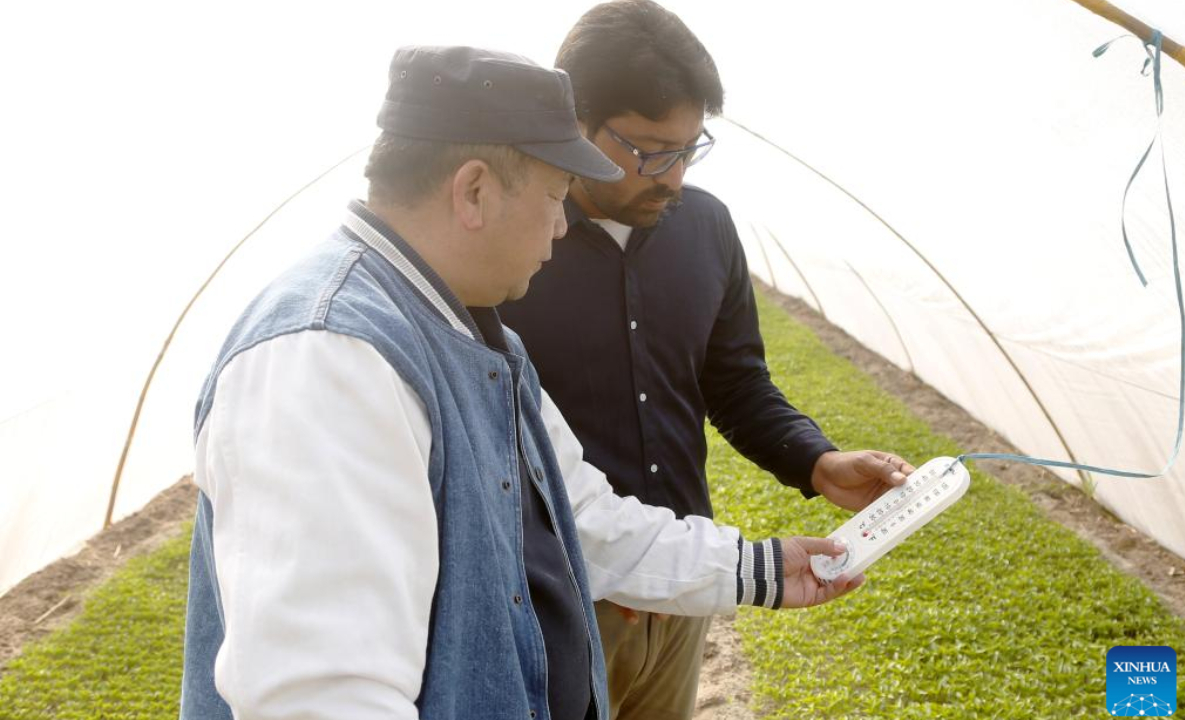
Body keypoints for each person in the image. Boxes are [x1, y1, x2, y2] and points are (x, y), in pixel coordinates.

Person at [178, 45, 865, 720]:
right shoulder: (326, 359)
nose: (564, 226)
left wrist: (766, 569)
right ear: (474, 191)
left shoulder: (475, 334)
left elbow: (587, 518)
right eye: (556, 195)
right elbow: (324, 696)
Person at [498, 4, 917, 719]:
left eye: (691, 148)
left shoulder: (706, 227)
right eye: (651, 151)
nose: (676, 177)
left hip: (687, 583)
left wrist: (818, 462)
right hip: (560, 600)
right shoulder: (509, 250)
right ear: (576, 120)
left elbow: (733, 380)